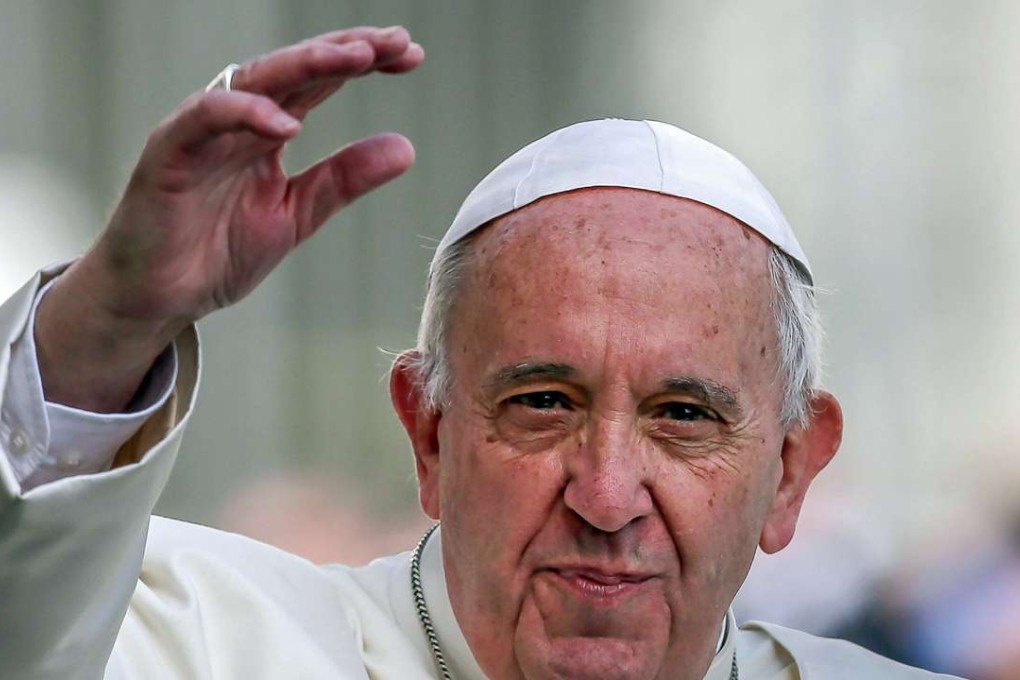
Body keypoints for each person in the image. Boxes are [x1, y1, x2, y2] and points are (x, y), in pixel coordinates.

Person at [0, 26, 959, 680]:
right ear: (429, 435)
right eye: (544, 402)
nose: (606, 496)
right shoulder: (211, 643)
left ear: (790, 472)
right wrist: (113, 318)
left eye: (683, 416)